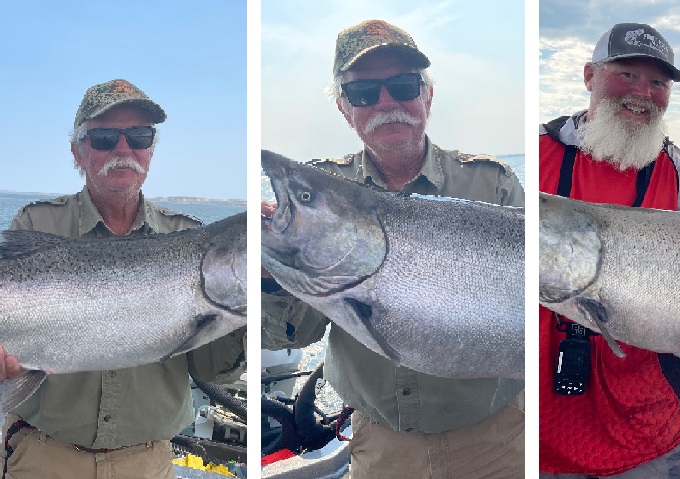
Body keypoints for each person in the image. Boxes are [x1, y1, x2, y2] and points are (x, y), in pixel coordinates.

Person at [261, 19, 525, 478]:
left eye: (402, 85)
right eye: (364, 93)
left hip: (496, 441)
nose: (387, 103)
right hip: (379, 446)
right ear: (345, 109)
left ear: (427, 94)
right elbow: (291, 337)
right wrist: (273, 274)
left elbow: (545, 302)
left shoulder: (491, 183)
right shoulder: (324, 190)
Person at [0, 79, 246, 479]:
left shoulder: (187, 231)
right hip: (43, 458)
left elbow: (213, 370)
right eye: (103, 138)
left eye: (138, 135)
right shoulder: (37, 221)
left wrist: (253, 303)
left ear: (151, 149)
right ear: (78, 152)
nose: (123, 148)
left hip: (148, 463)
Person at [539, 23, 680, 478]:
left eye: (658, 82)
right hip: (542, 424)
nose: (643, 92)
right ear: (588, 76)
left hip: (652, 422)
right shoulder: (537, 153)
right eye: (628, 75)